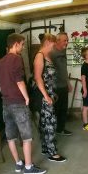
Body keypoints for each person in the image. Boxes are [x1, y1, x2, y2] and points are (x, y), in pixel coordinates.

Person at [0, 33, 46, 174]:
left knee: (10, 136)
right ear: (16, 44)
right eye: (22, 44)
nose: (23, 47)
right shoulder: (16, 59)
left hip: (6, 103)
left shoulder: (2, 61)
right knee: (26, 136)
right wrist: (26, 98)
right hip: (18, 103)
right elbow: (19, 82)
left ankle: (18, 164)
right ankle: (29, 167)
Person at [34, 33, 67, 163]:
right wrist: (46, 95)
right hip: (44, 97)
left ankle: (45, 148)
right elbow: (37, 78)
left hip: (50, 94)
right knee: (50, 124)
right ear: (48, 42)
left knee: (45, 123)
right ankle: (52, 153)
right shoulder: (39, 56)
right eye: (53, 42)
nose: (54, 44)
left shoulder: (47, 56)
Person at [49, 32, 73, 136]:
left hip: (63, 85)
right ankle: (52, 130)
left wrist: (68, 83)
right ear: (57, 41)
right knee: (55, 109)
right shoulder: (51, 53)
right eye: (65, 40)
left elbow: (64, 69)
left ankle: (61, 129)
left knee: (63, 109)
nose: (67, 42)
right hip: (54, 87)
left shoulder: (63, 52)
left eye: (67, 40)